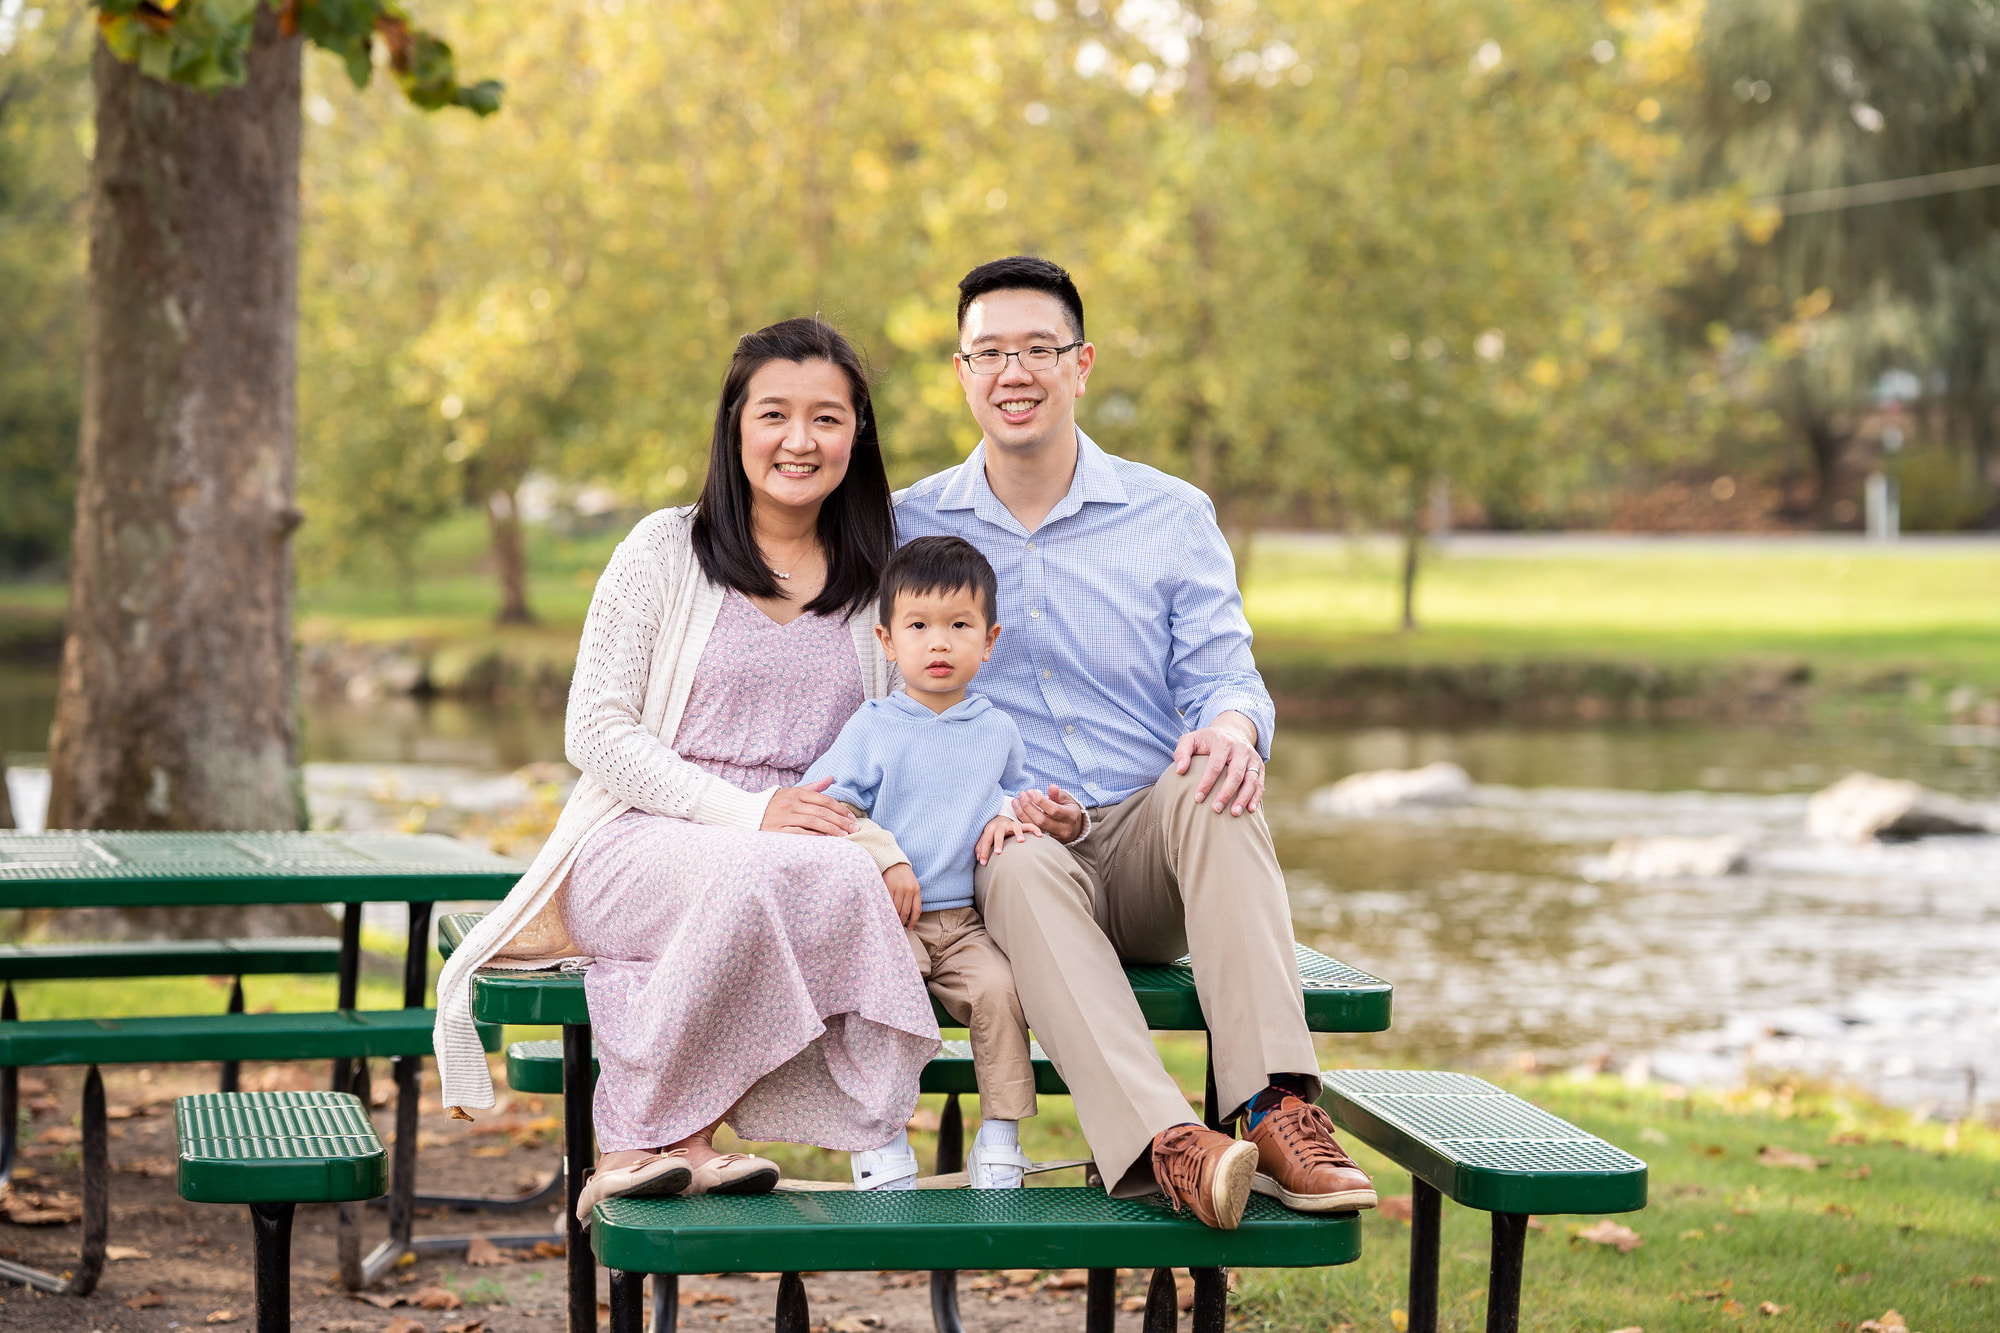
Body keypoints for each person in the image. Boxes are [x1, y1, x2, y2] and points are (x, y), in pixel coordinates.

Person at [895, 256, 1378, 1230]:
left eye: (1037, 349)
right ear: (960, 371)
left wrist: (1234, 728)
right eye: (989, 352)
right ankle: (1172, 1146)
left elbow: (1222, 675)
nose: (1013, 372)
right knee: (1018, 861)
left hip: (1151, 844)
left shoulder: (1168, 514)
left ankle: (1274, 1107)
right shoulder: (909, 524)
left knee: (1216, 782)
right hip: (1019, 855)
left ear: (1080, 365)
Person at [431, 318, 940, 1222]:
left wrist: (883, 843)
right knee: (756, 873)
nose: (799, 439)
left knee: (829, 880)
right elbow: (595, 730)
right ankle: (630, 1142)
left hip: (799, 847)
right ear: (734, 426)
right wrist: (746, 811)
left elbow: (893, 746)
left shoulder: (878, 581)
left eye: (826, 418)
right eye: (773, 413)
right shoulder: (664, 550)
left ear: (857, 433)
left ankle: (689, 1143)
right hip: (637, 837)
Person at [801, 535, 1043, 1190]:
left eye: (958, 626)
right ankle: (880, 1136)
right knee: (877, 1004)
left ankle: (1001, 1138)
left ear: (988, 640)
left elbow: (1005, 793)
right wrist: (886, 858)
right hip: (889, 923)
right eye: (918, 626)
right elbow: (826, 811)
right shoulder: (872, 726)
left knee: (1000, 992)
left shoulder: (997, 729)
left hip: (965, 923)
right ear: (887, 640)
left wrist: (1004, 815)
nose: (938, 643)